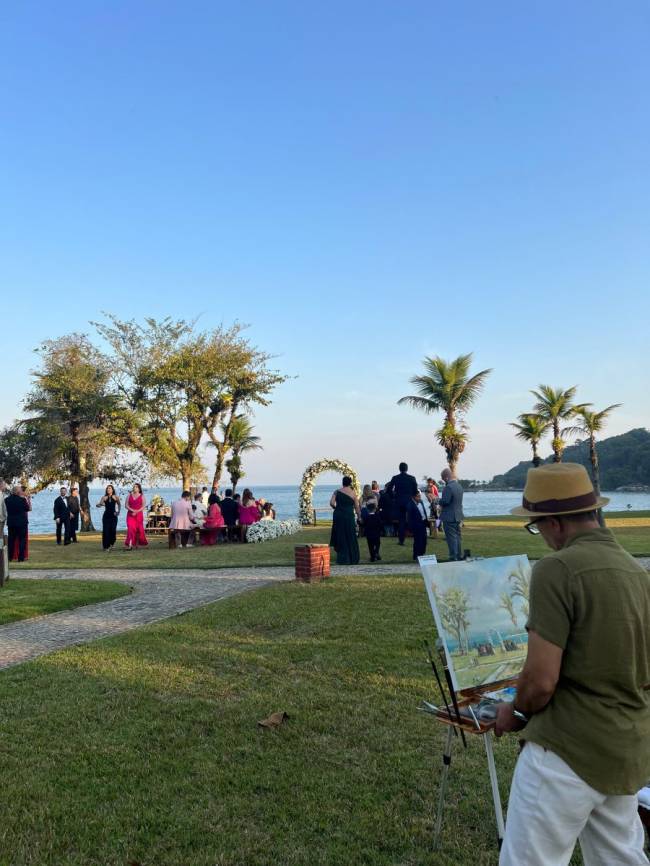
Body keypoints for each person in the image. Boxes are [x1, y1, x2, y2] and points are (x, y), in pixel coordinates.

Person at [495, 463, 650, 866]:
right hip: (624, 749)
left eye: (537, 525)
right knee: (620, 859)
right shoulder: (637, 573)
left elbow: (542, 681)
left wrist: (514, 710)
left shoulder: (556, 569)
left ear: (556, 523)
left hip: (566, 750)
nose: (542, 535)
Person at [329, 476, 360, 565]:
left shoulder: (337, 491)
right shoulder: (353, 493)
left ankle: (342, 557)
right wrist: (359, 517)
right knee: (350, 534)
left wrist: (336, 508)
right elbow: (357, 507)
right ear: (350, 483)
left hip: (338, 515)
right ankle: (352, 557)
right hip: (349, 515)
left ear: (342, 482)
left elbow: (331, 503)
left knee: (340, 534)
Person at [388, 462, 418, 545]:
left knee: (401, 521)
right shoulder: (412, 478)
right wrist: (411, 494)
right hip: (409, 501)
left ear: (399, 469)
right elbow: (415, 491)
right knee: (412, 519)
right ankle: (415, 536)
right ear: (407, 469)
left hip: (399, 501)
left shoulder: (395, 478)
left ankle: (401, 540)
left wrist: (394, 496)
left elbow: (389, 489)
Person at [440, 467, 464, 561]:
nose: (443, 481)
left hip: (449, 517)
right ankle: (458, 555)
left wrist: (437, 500)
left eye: (443, 479)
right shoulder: (459, 486)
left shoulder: (448, 487)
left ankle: (453, 557)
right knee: (457, 537)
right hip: (458, 516)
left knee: (451, 538)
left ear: (446, 478)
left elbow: (445, 501)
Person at [5, 485, 30, 562]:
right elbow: (27, 508)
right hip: (21, 523)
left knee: (11, 540)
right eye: (20, 490)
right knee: (22, 540)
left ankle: (10, 557)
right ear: (17, 491)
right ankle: (21, 558)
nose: (21, 491)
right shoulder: (22, 500)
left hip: (11, 523)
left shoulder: (7, 500)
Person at [97, 484, 121, 551]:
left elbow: (119, 504)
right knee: (106, 531)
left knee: (113, 531)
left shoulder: (116, 497)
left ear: (112, 490)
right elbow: (100, 504)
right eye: (107, 488)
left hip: (113, 516)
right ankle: (106, 546)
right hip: (106, 516)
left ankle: (112, 544)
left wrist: (118, 512)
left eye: (110, 488)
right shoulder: (104, 497)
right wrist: (98, 505)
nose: (108, 489)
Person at [124, 483, 148, 549]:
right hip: (130, 515)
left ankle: (137, 544)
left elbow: (143, 506)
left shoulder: (142, 496)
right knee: (131, 529)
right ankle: (130, 544)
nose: (135, 488)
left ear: (139, 489)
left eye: (136, 487)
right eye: (134, 487)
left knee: (138, 530)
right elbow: (126, 505)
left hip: (139, 515)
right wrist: (132, 510)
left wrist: (137, 511)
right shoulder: (129, 495)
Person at [407, 489, 429, 560]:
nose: (420, 498)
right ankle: (416, 555)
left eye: (420, 496)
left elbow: (424, 512)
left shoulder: (421, 502)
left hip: (423, 523)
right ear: (413, 497)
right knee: (418, 541)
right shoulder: (410, 505)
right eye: (418, 496)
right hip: (416, 525)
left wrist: (426, 521)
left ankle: (422, 554)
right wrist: (410, 528)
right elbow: (409, 517)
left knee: (424, 540)